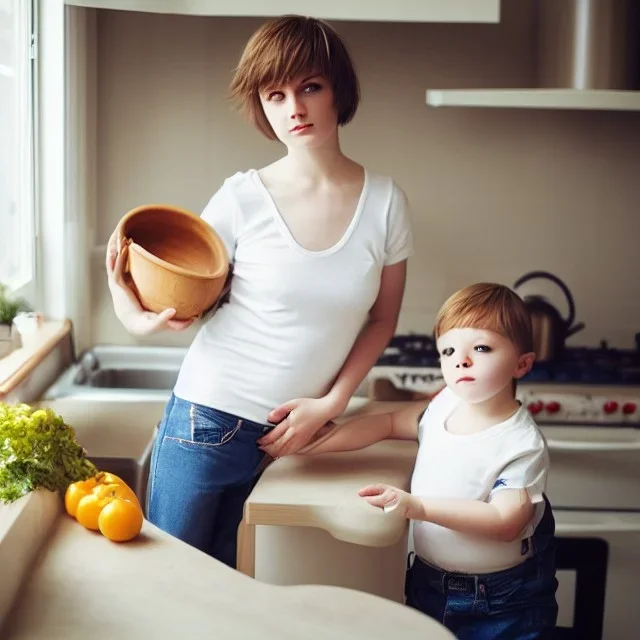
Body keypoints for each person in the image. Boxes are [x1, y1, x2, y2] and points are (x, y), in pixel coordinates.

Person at [105, 15, 413, 568]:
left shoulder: (387, 203)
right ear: (262, 108)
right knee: (172, 584)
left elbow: (381, 320)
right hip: (207, 421)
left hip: (300, 435)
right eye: (276, 95)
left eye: (309, 87)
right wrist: (131, 306)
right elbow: (179, 292)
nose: (294, 107)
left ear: (338, 89)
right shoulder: (241, 197)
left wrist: (331, 403)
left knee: (235, 598)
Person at [284, 283, 558, 639]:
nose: (462, 360)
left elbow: (505, 520)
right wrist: (314, 442)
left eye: (481, 347)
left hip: (502, 602)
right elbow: (388, 423)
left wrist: (417, 506)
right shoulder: (444, 404)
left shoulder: (520, 443)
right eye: (448, 350)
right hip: (429, 584)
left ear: (522, 363)